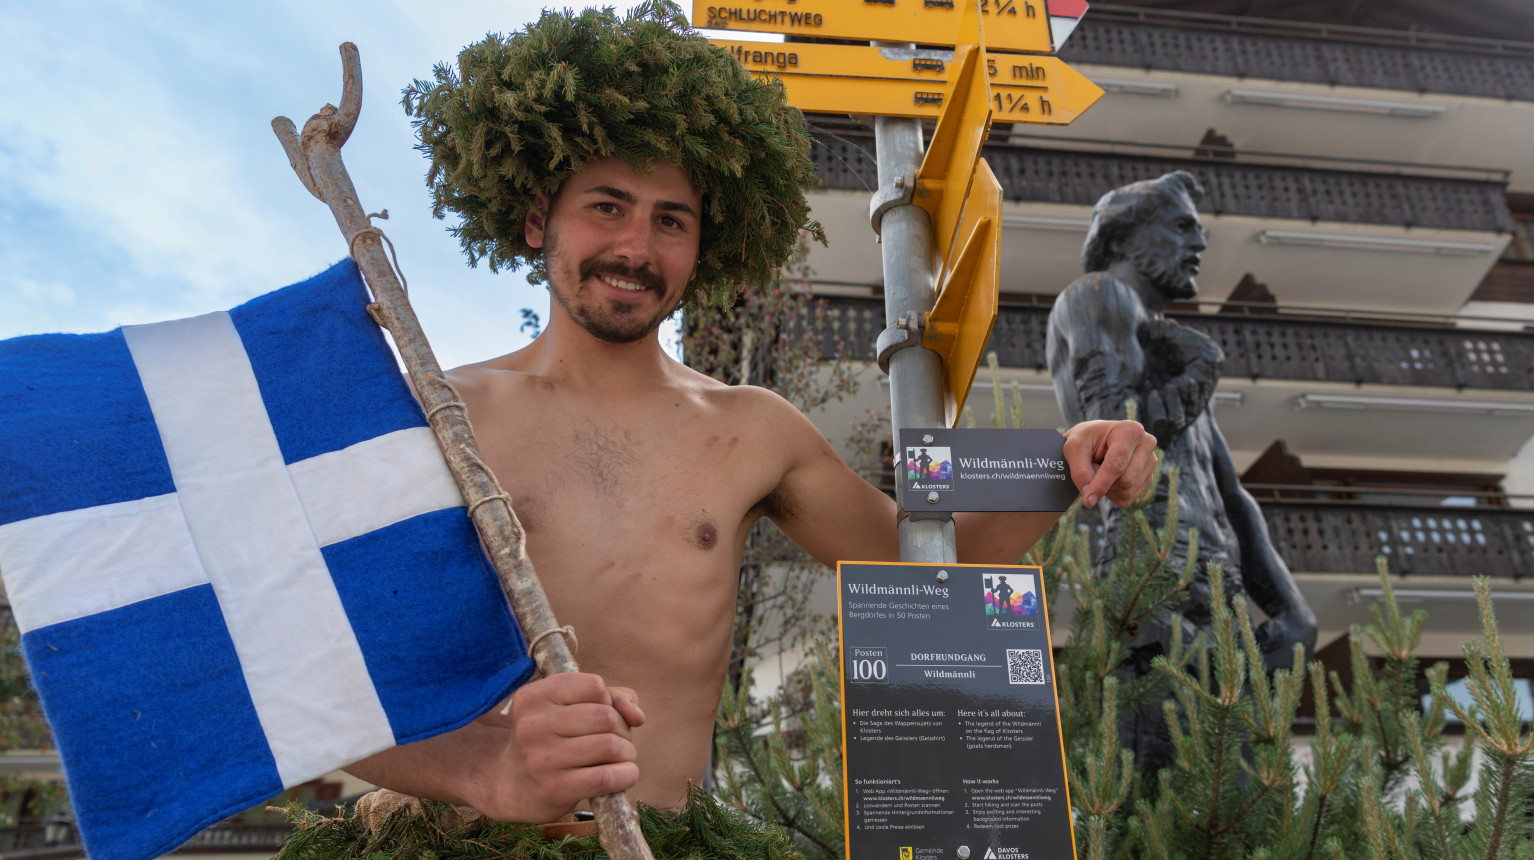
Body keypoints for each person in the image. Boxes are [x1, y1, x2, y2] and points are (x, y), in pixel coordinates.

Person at [346, 2, 1158, 823]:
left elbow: (921, 563)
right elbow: (298, 680)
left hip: (672, 843)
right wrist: (489, 773)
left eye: (671, 221)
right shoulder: (438, 417)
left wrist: (1066, 464)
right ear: (534, 222)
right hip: (462, 844)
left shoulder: (753, 430)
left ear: (703, 248)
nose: (635, 247)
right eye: (605, 206)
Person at [1045, 170, 1317, 766]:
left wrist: (1293, 611)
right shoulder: (1097, 297)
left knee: (1230, 802)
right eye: (1181, 227)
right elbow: (1116, 435)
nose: (1199, 244)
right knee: (1163, 786)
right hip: (1153, 577)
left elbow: (1231, 493)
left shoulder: (1169, 344)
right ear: (1123, 239)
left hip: (1215, 590)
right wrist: (1199, 372)